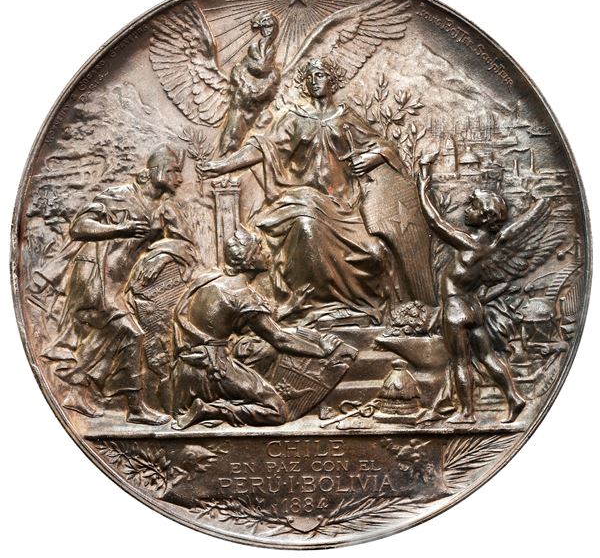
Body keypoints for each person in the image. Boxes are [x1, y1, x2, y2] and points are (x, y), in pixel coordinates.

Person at [199, 57, 434, 325]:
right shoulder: (295, 119)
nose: (314, 81)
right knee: (307, 228)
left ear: (332, 80)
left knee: (373, 253)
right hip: (303, 199)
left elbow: (385, 146)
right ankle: (311, 309)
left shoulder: (346, 117)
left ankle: (359, 312)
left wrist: (373, 157)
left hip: (343, 207)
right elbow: (262, 147)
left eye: (320, 75)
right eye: (309, 77)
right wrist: (221, 166)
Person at [43, 145, 185, 424]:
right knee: (129, 332)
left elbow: (181, 242)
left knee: (114, 335)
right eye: (173, 171)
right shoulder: (119, 196)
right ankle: (134, 408)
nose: (179, 179)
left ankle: (77, 387)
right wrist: (121, 229)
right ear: (156, 171)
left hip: (117, 281)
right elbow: (79, 227)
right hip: (94, 274)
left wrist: (163, 253)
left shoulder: (161, 209)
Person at [171, 226, 353, 429]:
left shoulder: (209, 279)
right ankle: (210, 410)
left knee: (261, 353)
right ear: (249, 261)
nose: (267, 253)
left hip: (184, 371)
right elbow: (279, 339)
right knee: (277, 411)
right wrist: (321, 350)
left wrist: (289, 307)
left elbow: (238, 322)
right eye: (260, 249)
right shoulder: (243, 296)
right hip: (213, 371)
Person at [417, 171, 527, 423]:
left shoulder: (469, 243)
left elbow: (436, 223)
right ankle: (514, 397)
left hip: (456, 307)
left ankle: (466, 413)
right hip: (474, 307)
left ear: (486, 217)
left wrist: (422, 189)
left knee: (460, 361)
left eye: (473, 207)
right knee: (487, 356)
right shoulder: (492, 246)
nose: (466, 210)